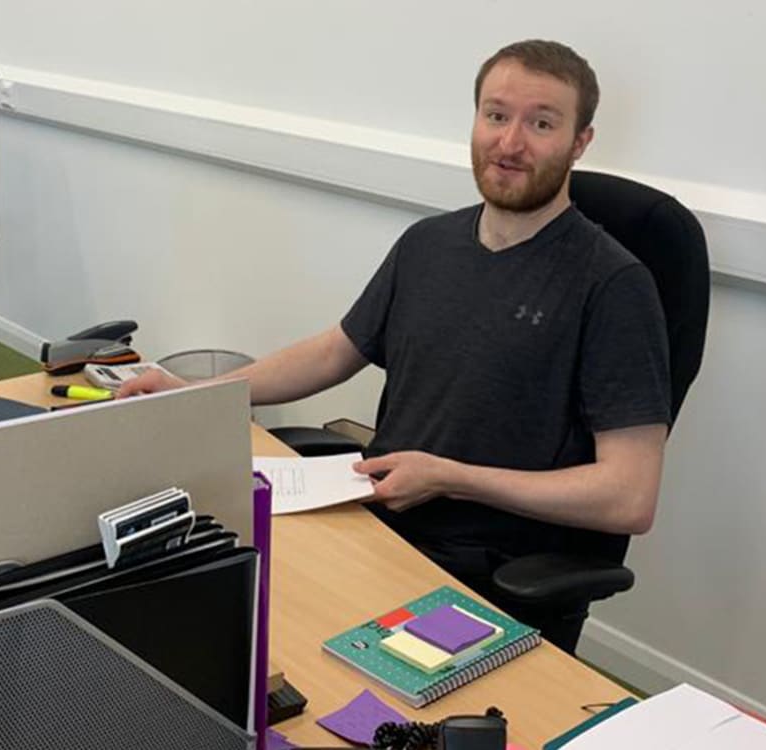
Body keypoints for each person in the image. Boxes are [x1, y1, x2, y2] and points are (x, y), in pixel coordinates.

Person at [119, 39, 671, 650]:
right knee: (211, 624)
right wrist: (194, 393)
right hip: (374, 528)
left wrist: (451, 478)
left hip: (483, 581)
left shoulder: (613, 285)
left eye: (541, 123)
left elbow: (629, 497)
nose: (510, 143)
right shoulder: (428, 244)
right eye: (496, 115)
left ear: (580, 142)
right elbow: (335, 350)